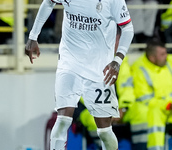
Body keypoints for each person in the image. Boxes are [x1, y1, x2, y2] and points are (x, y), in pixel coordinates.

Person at [25, 0, 134, 149]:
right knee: (62, 119)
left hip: (99, 69)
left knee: (104, 131)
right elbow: (48, 2)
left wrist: (118, 59)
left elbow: (127, 27)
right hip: (69, 64)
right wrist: (33, 36)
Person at [131, 38, 172, 150]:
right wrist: (169, 105)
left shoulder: (171, 60)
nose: (167, 56)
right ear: (152, 58)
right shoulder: (139, 69)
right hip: (159, 110)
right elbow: (145, 99)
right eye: (162, 54)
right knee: (154, 114)